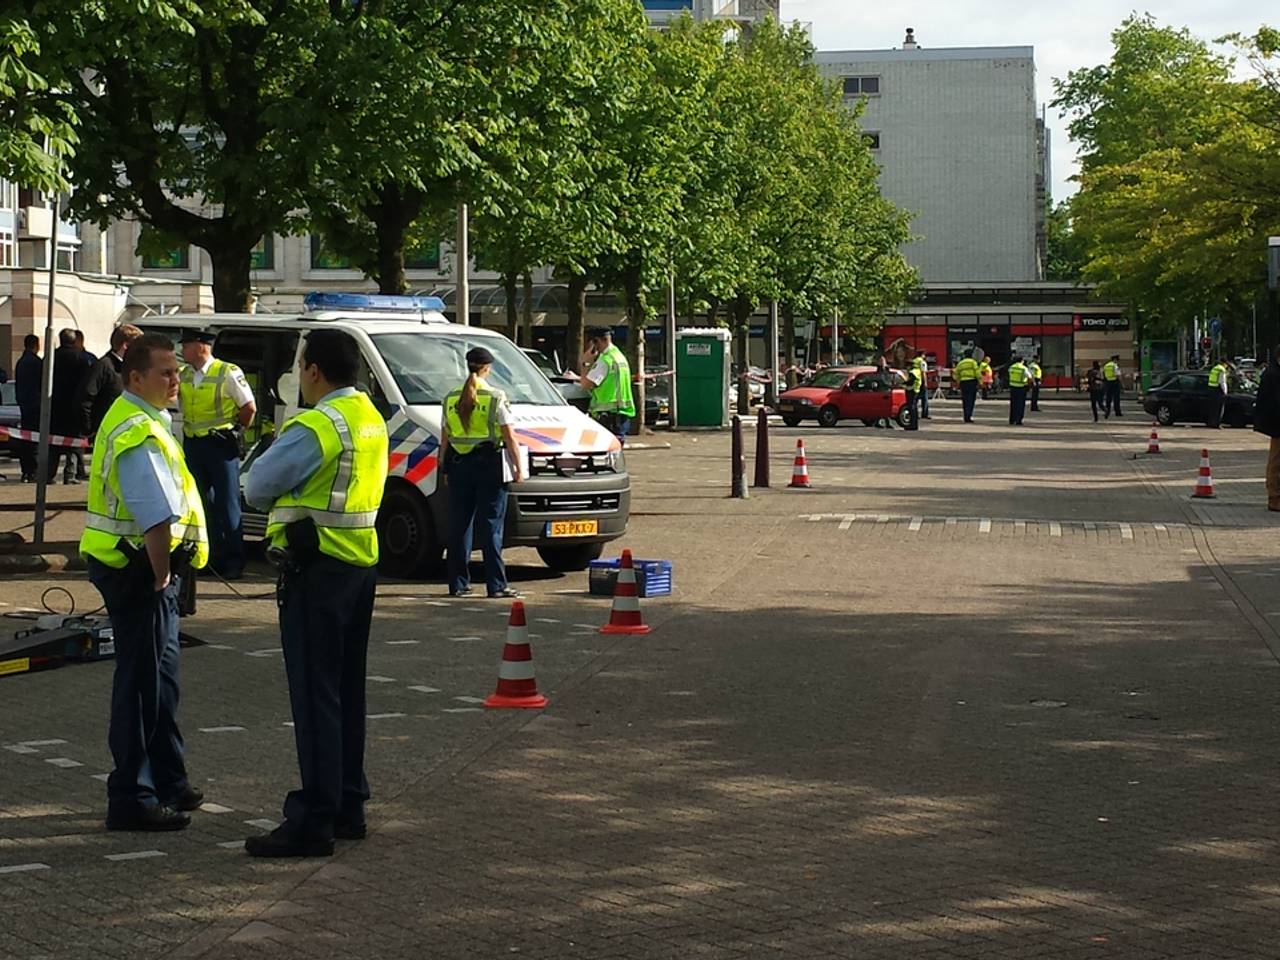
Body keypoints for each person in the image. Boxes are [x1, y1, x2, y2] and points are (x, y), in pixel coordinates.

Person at [242, 329, 389, 858]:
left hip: (318, 570)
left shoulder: (319, 423)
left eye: (301, 366)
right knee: (347, 692)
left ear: (313, 371)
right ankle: (348, 804)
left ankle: (314, 820)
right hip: (358, 566)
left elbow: (256, 486)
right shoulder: (370, 417)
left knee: (315, 695)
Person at [79, 333, 209, 831]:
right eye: (165, 373)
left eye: (177, 371)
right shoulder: (137, 429)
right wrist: (161, 576)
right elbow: (155, 516)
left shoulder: (147, 419)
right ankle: (133, 795)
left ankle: (168, 778)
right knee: (141, 685)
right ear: (135, 377)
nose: (176, 380)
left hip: (142, 571)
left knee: (161, 680)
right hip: (139, 573)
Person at [440, 346, 525, 599]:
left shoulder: (450, 398)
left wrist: (443, 467)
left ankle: (457, 584)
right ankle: (496, 585)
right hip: (489, 465)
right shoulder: (496, 397)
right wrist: (519, 467)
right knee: (490, 526)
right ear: (487, 368)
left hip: (457, 465)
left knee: (459, 525)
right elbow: (510, 437)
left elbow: (444, 438)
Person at [178, 329, 256, 579]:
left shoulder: (227, 371)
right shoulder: (185, 373)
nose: (182, 350)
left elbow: (248, 407)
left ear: (202, 346)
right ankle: (210, 558)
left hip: (220, 445)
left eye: (186, 345)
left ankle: (234, 561)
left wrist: (238, 430)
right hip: (193, 444)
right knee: (200, 504)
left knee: (227, 504)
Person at [78, 324, 143, 438]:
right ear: (126, 345)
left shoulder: (130, 368)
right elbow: (84, 399)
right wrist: (90, 430)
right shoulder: (104, 366)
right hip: (106, 433)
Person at [575, 326, 635, 444]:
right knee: (615, 452)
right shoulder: (619, 356)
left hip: (608, 416)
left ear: (596, 341)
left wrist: (585, 363)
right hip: (621, 414)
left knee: (603, 453)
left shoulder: (605, 360)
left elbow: (586, 384)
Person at [51, 328, 86, 483]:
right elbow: (85, 383)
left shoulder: (51, 357)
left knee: (53, 443)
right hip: (73, 405)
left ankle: (49, 475)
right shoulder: (80, 358)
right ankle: (69, 475)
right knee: (72, 442)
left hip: (55, 405)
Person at [1254, 345, 1280, 512]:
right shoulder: (1273, 375)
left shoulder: (1273, 373)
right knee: (1276, 462)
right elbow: (1273, 403)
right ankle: (1274, 498)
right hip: (1277, 425)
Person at [14, 334, 42, 482]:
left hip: (24, 405)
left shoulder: (20, 362)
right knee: (35, 440)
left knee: (25, 440)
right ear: (36, 345)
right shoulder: (36, 362)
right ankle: (34, 471)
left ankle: (26, 471)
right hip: (36, 406)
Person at [954, 350, 980, 422]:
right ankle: (969, 415)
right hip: (972, 382)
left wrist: (958, 381)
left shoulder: (961, 363)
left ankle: (965, 416)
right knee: (971, 399)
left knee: (965, 399)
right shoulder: (973, 362)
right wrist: (980, 382)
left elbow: (956, 373)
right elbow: (977, 373)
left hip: (963, 383)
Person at [1207, 356, 1229, 429]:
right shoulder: (1222, 370)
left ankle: (1211, 423)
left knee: (1213, 408)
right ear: (1225, 363)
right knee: (1219, 408)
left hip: (1211, 388)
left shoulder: (1215, 368)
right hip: (1218, 390)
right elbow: (1222, 382)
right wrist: (1225, 391)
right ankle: (1217, 423)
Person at [1007, 356, 1030, 425]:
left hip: (1012, 387)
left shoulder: (1012, 367)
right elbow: (1029, 377)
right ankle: (1018, 420)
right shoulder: (1023, 368)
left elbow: (1009, 374)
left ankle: (1012, 420)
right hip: (1021, 387)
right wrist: (1029, 385)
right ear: (1022, 361)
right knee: (1020, 404)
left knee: (1013, 404)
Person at [914, 351, 930, 419]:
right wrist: (925, 382)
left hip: (915, 381)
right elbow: (923, 372)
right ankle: (924, 414)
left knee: (915, 399)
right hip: (921, 381)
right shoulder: (922, 362)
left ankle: (915, 414)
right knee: (924, 399)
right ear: (922, 355)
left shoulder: (914, 361)